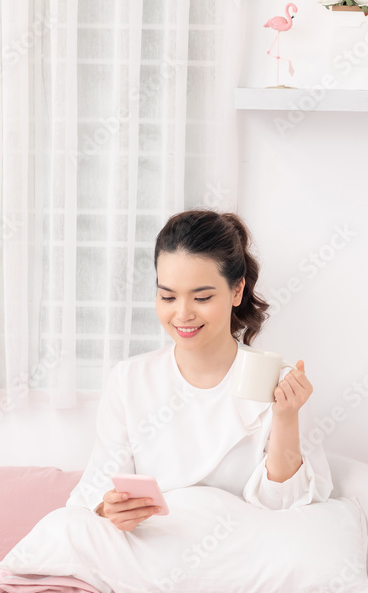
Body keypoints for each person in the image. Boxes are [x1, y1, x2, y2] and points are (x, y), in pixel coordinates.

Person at [65, 210, 332, 531]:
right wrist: (110, 510)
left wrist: (286, 418)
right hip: (156, 545)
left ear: (236, 291)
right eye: (167, 296)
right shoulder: (129, 379)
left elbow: (287, 507)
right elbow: (98, 490)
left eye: (202, 297)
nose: (182, 314)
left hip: (244, 549)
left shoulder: (275, 382)